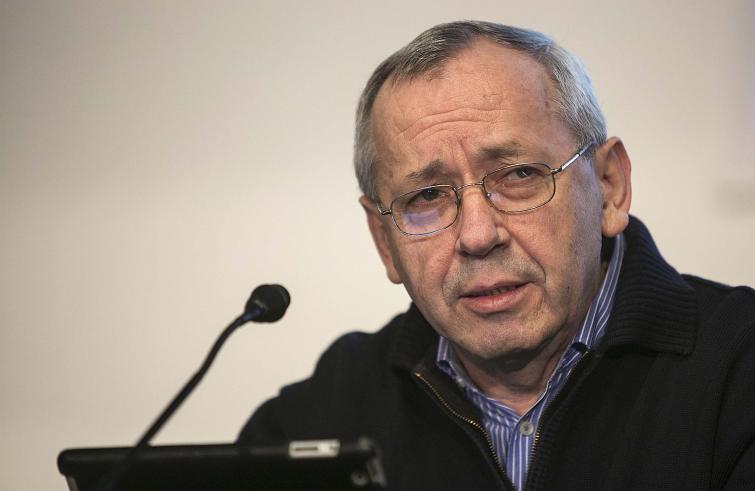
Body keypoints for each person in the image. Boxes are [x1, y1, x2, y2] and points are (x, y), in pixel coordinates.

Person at [239, 21, 755, 490]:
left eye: (518, 175)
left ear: (608, 186)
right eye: (426, 196)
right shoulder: (332, 405)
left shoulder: (739, 367)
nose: (477, 234)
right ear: (383, 239)